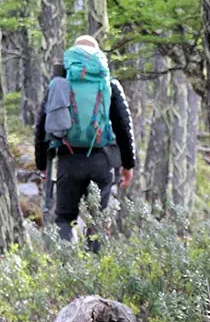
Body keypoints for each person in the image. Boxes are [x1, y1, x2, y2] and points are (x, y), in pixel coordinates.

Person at [35, 35, 135, 246]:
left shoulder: (59, 83)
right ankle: (96, 270)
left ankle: (64, 269)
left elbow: (42, 124)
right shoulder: (109, 84)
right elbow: (124, 127)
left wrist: (42, 165)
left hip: (67, 159)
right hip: (101, 159)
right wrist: (128, 165)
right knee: (97, 221)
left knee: (64, 218)